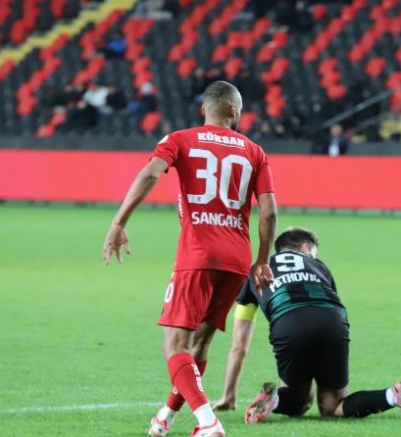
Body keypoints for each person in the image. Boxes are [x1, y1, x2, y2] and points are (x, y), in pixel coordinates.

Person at [103, 80, 278, 437]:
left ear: (203, 110)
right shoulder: (255, 152)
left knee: (174, 345)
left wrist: (119, 222)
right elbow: (270, 213)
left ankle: (208, 422)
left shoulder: (180, 139)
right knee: (200, 343)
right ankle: (166, 416)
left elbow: (150, 173)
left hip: (198, 254)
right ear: (233, 110)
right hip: (236, 260)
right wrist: (262, 261)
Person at [211, 227, 401, 425]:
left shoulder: (255, 272)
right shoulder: (319, 266)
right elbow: (333, 301)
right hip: (332, 322)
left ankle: (275, 398)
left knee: (299, 401)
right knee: (332, 406)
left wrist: (229, 395)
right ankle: (395, 395)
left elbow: (239, 346)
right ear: (305, 248)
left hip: (289, 325)